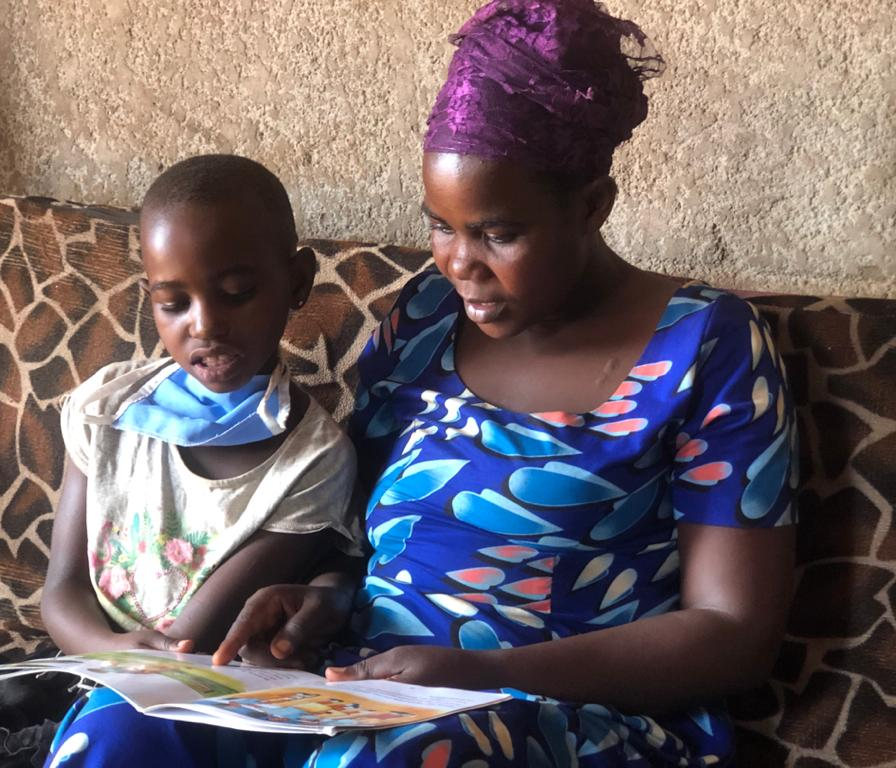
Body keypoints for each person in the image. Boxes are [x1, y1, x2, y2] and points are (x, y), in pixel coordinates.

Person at [46, 2, 796, 765]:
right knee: (125, 722)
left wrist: (482, 674)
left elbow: (733, 635)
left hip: (563, 711)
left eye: (498, 233)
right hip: (359, 686)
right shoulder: (428, 319)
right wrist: (323, 601)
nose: (460, 264)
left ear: (592, 208)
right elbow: (356, 534)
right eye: (442, 226)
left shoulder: (709, 343)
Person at [40, 154, 362, 659]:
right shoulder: (105, 409)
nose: (205, 325)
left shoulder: (313, 462)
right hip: (87, 661)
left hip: (180, 686)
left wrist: (127, 662)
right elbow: (61, 593)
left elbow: (192, 643)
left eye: (237, 293)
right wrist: (109, 647)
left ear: (297, 282)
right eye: (173, 304)